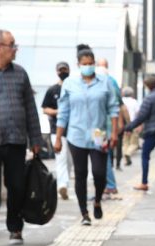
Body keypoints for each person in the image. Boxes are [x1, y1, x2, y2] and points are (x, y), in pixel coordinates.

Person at [54, 44, 119, 226]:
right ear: (78, 64)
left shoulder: (104, 82)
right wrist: (58, 138)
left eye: (91, 63)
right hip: (76, 134)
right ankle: (84, 213)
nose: (88, 66)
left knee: (99, 172)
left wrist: (114, 132)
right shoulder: (69, 84)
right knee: (80, 173)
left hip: (99, 134)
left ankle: (97, 200)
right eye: (85, 63)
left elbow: (113, 108)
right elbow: (63, 112)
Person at [0, 29, 44, 244]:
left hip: (15, 139)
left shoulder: (20, 74)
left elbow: (30, 108)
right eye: (12, 44)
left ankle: (15, 227)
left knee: (16, 185)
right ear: (0, 47)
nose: (15, 49)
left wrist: (36, 139)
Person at [42, 61, 72, 201]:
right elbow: (45, 108)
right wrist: (57, 112)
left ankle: (66, 184)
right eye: (60, 70)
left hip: (73, 130)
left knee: (70, 160)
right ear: (57, 71)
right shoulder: (52, 90)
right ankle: (62, 185)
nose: (63, 72)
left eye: (65, 69)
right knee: (61, 158)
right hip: (57, 131)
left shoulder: (73, 87)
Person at [95, 58, 123, 195]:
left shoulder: (107, 82)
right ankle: (107, 184)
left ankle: (110, 184)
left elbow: (116, 106)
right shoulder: (112, 81)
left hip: (100, 128)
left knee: (101, 154)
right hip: (101, 127)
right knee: (104, 154)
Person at [120, 87, 141, 166]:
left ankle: (126, 158)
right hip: (134, 124)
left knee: (125, 143)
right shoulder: (135, 102)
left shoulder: (121, 101)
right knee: (134, 144)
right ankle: (128, 153)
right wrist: (140, 125)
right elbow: (139, 114)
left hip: (124, 125)